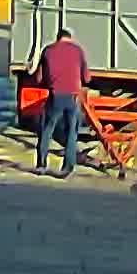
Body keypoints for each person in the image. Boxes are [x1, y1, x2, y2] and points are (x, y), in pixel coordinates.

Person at [34, 26, 91, 178]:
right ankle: (67, 167)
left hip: (55, 95)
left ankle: (41, 164)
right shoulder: (78, 51)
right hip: (73, 96)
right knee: (72, 132)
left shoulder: (48, 50)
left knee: (47, 129)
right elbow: (87, 78)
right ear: (70, 38)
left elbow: (39, 78)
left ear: (57, 37)